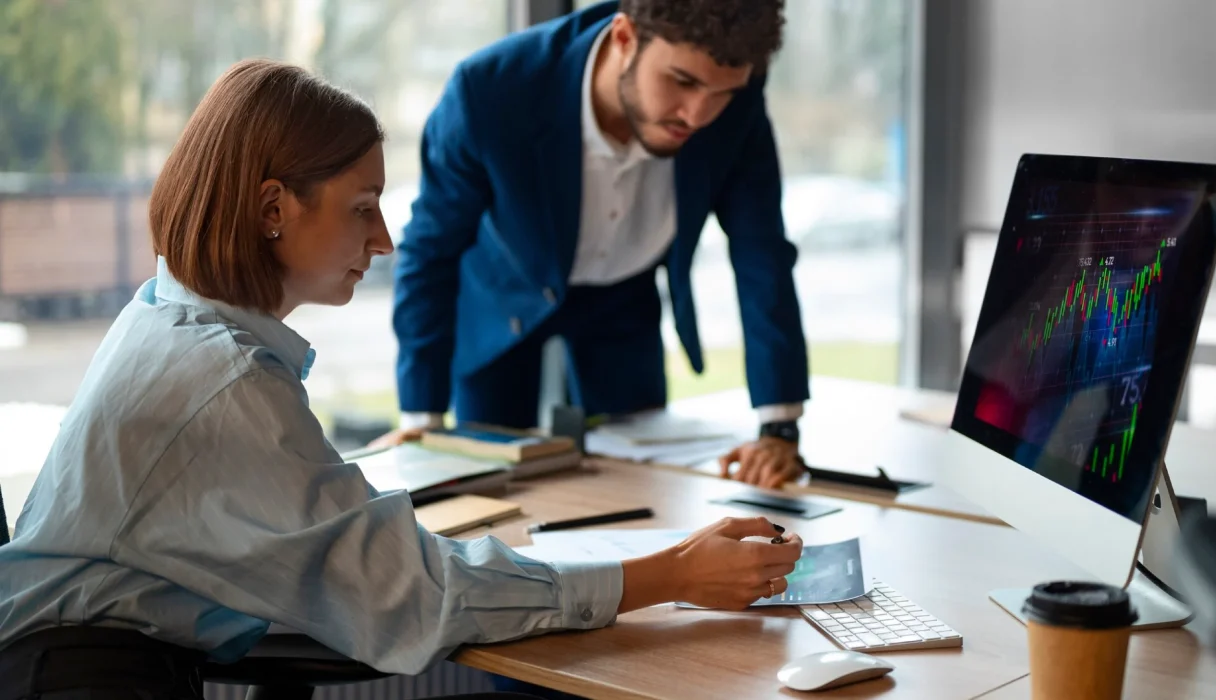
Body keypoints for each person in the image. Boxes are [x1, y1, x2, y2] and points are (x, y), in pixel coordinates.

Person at [0, 59, 803, 700]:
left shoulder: (168, 317)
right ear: (274, 207)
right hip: (85, 679)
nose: (384, 240)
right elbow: (419, 594)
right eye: (362, 207)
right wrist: (672, 574)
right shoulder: (222, 379)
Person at [380, 0, 811, 489]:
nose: (698, 115)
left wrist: (779, 424)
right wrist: (421, 417)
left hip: (624, 300)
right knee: (482, 484)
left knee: (638, 490)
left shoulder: (737, 99)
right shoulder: (491, 90)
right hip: (503, 296)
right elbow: (429, 253)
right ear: (624, 37)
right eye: (683, 82)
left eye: (722, 92)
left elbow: (763, 254)